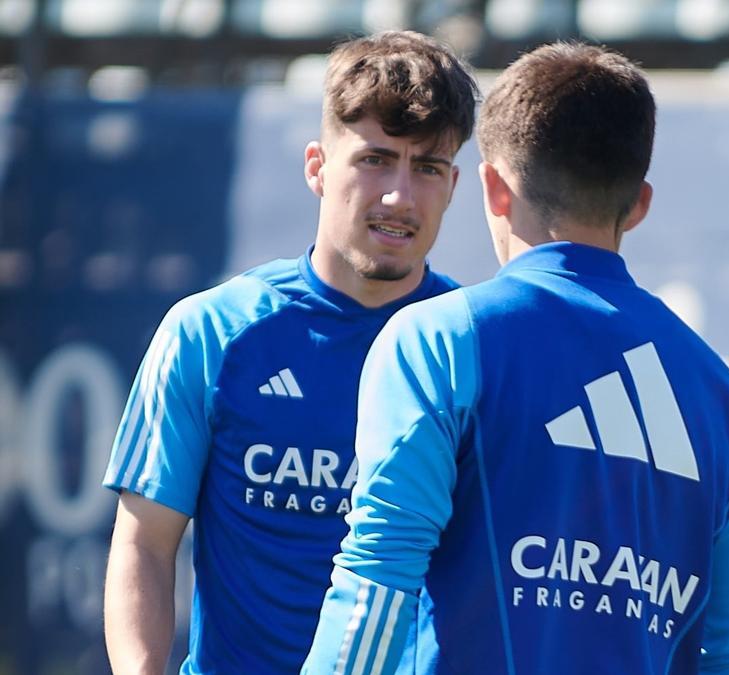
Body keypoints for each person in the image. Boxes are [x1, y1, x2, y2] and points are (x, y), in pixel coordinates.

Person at [302, 43, 729, 675]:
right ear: (637, 204)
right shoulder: (728, 404)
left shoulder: (441, 340)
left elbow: (377, 584)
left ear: (493, 187)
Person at [101, 30, 478, 674]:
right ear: (317, 167)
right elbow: (145, 543)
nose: (399, 196)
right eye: (375, 159)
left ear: (453, 185)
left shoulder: (477, 348)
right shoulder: (209, 333)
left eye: (428, 168)